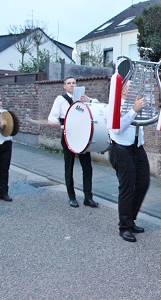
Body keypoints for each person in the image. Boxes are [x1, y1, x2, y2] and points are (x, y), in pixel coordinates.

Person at [48, 76, 99, 208]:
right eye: (69, 83)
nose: (72, 85)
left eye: (74, 83)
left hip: (82, 137)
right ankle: (72, 197)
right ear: (64, 86)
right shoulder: (60, 99)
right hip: (68, 136)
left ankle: (88, 197)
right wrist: (61, 126)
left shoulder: (83, 98)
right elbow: (51, 117)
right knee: (69, 167)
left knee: (87, 168)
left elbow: (97, 106)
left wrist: (89, 100)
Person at [108, 81, 149, 243]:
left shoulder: (137, 103)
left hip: (137, 146)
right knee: (127, 187)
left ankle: (131, 219)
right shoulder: (115, 105)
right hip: (120, 148)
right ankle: (124, 227)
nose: (135, 90)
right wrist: (133, 111)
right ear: (123, 91)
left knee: (143, 183)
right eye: (131, 88)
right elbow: (116, 129)